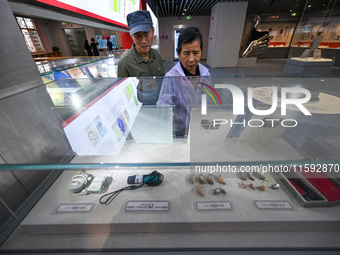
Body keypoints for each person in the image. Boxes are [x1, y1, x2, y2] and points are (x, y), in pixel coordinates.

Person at [157, 26, 211, 136]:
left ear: (202, 49)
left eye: (196, 53)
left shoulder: (206, 73)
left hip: (201, 129)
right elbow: (163, 109)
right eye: (186, 53)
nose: (191, 59)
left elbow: (210, 103)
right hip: (180, 133)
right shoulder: (171, 77)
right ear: (178, 52)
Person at [117, 10, 164, 77]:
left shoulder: (157, 55)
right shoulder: (124, 64)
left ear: (153, 31)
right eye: (138, 36)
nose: (143, 41)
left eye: (146, 34)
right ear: (132, 36)